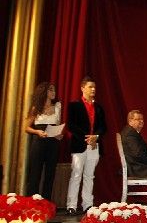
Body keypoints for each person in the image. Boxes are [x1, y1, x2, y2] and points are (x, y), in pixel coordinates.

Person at [66, 76, 106, 215]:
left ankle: (87, 205)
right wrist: (87, 138)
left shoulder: (99, 107)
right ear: (82, 88)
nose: (93, 89)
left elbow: (103, 127)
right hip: (79, 145)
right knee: (76, 174)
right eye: (90, 87)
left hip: (94, 145)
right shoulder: (74, 105)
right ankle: (71, 205)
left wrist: (96, 136)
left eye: (94, 87)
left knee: (90, 176)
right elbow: (71, 125)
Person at [24, 82, 63, 200]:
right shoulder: (36, 108)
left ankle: (46, 202)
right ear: (44, 91)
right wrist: (37, 132)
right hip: (39, 141)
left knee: (50, 174)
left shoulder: (57, 106)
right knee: (35, 173)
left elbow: (57, 125)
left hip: (53, 143)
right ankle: (32, 202)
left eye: (54, 90)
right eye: (51, 90)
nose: (53, 92)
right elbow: (26, 127)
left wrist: (58, 135)